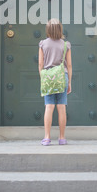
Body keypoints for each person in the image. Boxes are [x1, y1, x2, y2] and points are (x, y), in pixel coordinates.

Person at [38, 18, 72, 146]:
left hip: (48, 77)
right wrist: (69, 83)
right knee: (61, 107)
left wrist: (42, 79)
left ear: (48, 30)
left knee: (49, 106)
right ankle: (62, 138)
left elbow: (41, 63)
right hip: (62, 76)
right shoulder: (65, 44)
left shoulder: (42, 44)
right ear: (60, 29)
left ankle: (47, 138)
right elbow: (69, 65)